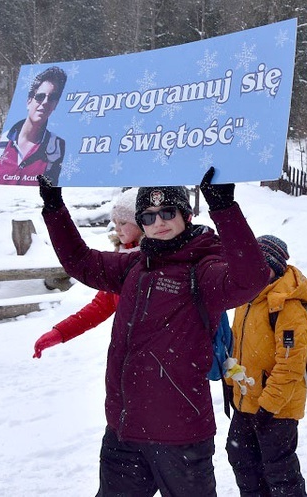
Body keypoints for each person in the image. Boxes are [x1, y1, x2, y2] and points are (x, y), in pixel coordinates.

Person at [37, 167, 269, 496]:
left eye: (167, 212)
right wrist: (53, 206)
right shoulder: (135, 265)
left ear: (186, 215)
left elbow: (251, 280)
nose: (158, 222)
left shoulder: (203, 269)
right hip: (124, 430)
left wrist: (224, 209)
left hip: (180, 436)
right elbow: (80, 262)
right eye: (147, 216)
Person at [225, 235, 307, 497]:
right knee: (242, 460)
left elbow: (290, 367)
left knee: (280, 473)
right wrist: (231, 385)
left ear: (274, 267)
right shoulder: (246, 299)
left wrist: (268, 406)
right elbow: (235, 347)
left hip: (277, 409)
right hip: (246, 401)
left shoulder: (287, 308)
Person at [32, 188, 142, 358]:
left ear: (141, 223)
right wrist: (59, 333)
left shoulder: (156, 262)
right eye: (115, 222)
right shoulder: (119, 262)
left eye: (124, 223)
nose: (117, 228)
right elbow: (100, 306)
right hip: (129, 354)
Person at [0, 66, 67, 186]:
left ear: (56, 105)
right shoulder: (2, 142)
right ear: (29, 101)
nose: (45, 102)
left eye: (52, 98)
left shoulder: (56, 148)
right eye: (40, 96)